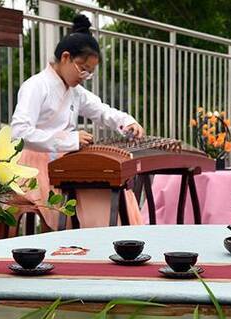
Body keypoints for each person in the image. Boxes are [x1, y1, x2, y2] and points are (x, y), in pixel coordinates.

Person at [11, 14, 145, 229]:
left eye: (89, 72)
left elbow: (102, 111)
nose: (84, 75)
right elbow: (19, 133)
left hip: (66, 162)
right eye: (82, 68)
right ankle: (86, 245)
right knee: (91, 192)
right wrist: (69, 140)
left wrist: (127, 122)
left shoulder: (75, 92)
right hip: (35, 165)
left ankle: (120, 244)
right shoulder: (36, 86)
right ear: (65, 58)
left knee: (115, 189)